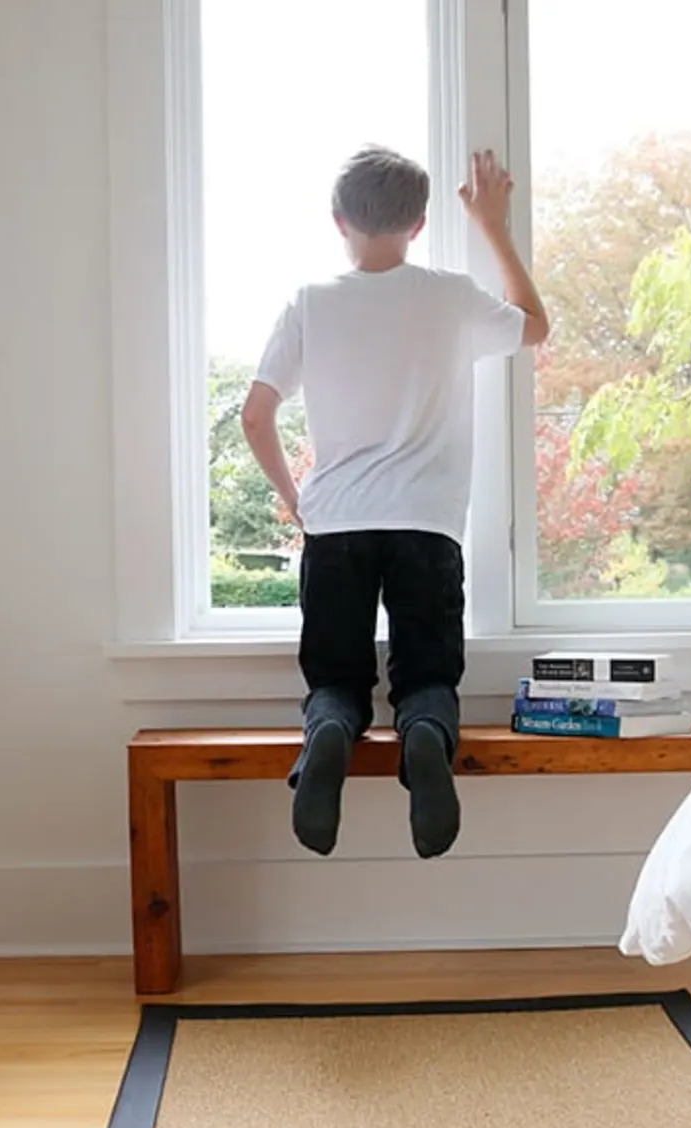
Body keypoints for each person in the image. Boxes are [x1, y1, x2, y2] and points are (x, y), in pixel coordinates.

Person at [240, 145, 549, 858]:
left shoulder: (310, 305)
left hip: (336, 525)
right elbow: (534, 327)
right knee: (428, 677)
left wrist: (295, 500)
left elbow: (255, 416)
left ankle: (325, 738)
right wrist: (495, 226)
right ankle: (424, 740)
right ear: (419, 224)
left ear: (338, 220)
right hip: (427, 527)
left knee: (337, 680)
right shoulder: (448, 295)